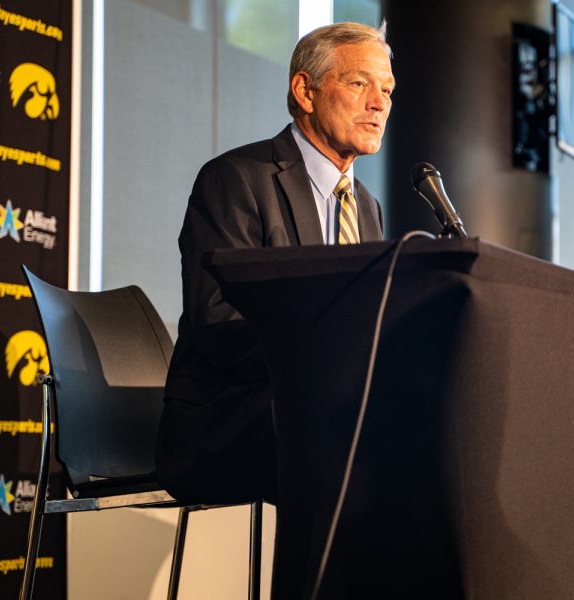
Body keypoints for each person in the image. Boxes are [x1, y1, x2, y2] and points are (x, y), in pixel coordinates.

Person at [155, 22, 395, 505]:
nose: (379, 103)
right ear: (305, 91)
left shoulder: (367, 207)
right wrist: (326, 367)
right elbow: (218, 321)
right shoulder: (236, 179)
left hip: (319, 413)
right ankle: (315, 584)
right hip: (229, 420)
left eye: (387, 89)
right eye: (359, 83)